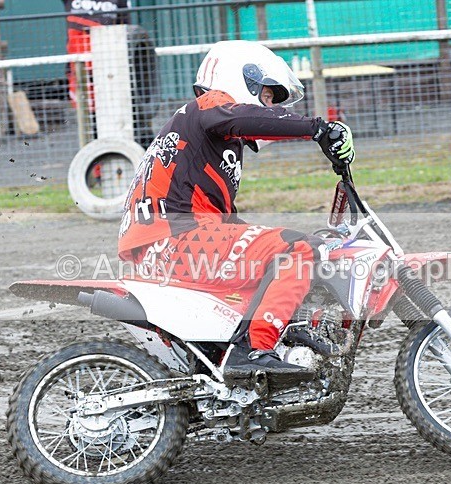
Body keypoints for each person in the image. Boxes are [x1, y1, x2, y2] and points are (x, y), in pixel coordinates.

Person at [117, 41, 355, 386]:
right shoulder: (209, 105)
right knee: (297, 248)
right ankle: (255, 351)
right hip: (171, 240)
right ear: (244, 77)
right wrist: (317, 128)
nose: (270, 107)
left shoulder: (212, 141)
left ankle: (262, 344)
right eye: (268, 96)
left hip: (169, 241)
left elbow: (224, 222)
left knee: (287, 251)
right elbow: (238, 116)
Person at [61, 0, 158, 147]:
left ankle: (148, 154)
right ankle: (97, 156)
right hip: (81, 71)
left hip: (112, 69)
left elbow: (127, 30)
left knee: (132, 115)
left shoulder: (119, 2)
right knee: (91, 120)